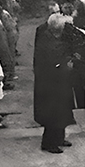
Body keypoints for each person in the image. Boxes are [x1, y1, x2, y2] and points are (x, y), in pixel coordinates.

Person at [33, 14, 76, 154]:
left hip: (59, 83)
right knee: (53, 115)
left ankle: (59, 138)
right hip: (50, 85)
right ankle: (49, 143)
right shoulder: (47, 42)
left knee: (61, 113)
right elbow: (51, 63)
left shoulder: (54, 38)